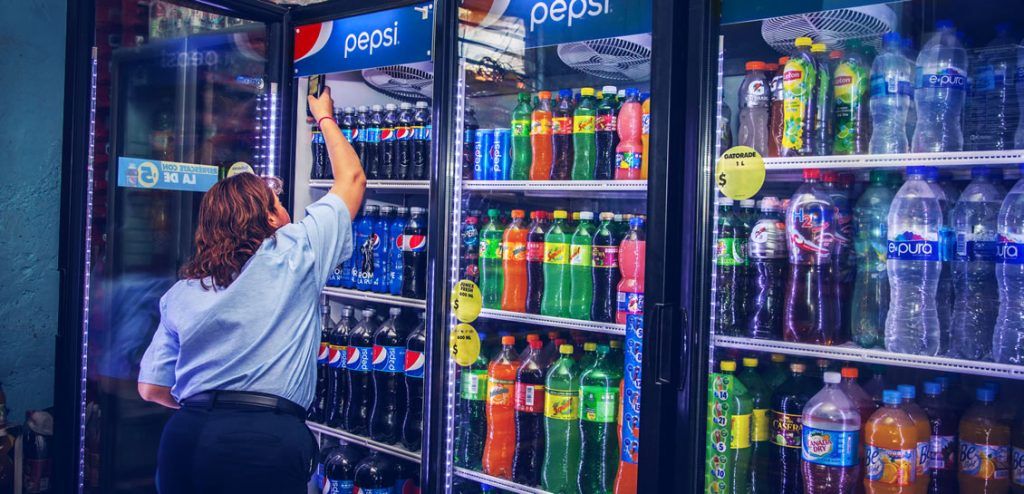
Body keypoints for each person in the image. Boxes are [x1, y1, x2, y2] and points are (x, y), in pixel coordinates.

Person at [136, 87, 365, 493]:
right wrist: (324, 116)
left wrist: (207, 407)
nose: (285, 209)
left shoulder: (183, 291)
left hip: (185, 436)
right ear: (272, 219)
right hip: (263, 440)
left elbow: (151, 388)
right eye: (277, 202)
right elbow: (351, 178)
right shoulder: (295, 252)